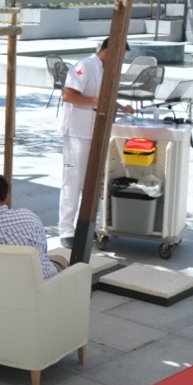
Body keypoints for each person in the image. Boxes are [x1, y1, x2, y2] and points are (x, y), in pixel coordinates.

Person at [58, 37, 134, 249]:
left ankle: (85, 225)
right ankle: (66, 230)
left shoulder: (105, 71)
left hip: (97, 132)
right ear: (109, 51)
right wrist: (96, 102)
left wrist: (120, 107)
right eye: (120, 58)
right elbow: (68, 95)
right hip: (78, 132)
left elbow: (103, 96)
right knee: (73, 181)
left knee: (90, 183)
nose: (121, 62)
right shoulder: (85, 66)